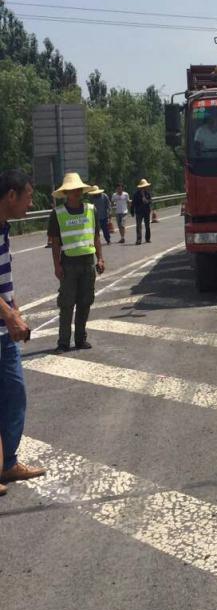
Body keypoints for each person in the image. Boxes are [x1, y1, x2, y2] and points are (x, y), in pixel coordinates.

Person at [0, 169, 45, 492]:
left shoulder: (4, 228)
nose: (31, 203)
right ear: (11, 196)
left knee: (14, 397)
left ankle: (8, 464)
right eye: (28, 196)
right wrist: (9, 316)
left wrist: (15, 309)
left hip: (3, 333)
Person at [48, 172, 105, 352]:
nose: (76, 193)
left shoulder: (91, 210)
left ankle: (80, 339)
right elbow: (55, 242)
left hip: (88, 263)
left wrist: (100, 258)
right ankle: (63, 342)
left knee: (85, 301)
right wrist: (57, 265)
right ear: (66, 193)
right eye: (72, 190)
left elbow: (96, 236)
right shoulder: (57, 214)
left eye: (78, 189)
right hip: (69, 264)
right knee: (66, 304)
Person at [132, 178, 152, 245]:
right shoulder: (136, 194)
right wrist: (132, 211)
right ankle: (139, 239)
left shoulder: (148, 193)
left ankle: (148, 238)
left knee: (147, 225)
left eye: (145, 187)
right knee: (138, 226)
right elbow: (133, 203)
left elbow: (150, 201)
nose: (144, 188)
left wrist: (147, 200)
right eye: (143, 187)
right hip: (139, 212)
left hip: (146, 211)